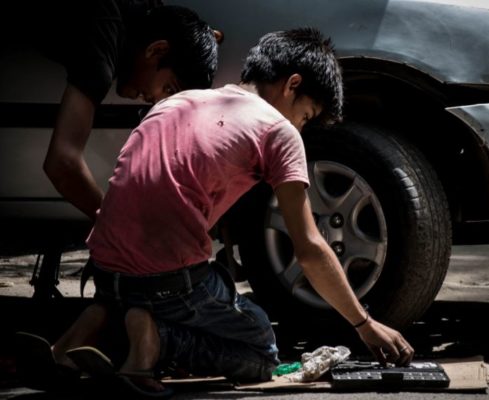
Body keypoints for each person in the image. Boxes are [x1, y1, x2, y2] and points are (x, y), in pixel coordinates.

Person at [18, 28, 414, 397]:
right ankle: (151, 337)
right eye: (306, 116)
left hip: (105, 270)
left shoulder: (178, 100)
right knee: (261, 350)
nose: (301, 126)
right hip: (166, 282)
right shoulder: (279, 131)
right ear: (292, 85)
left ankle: (91, 325)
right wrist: (365, 325)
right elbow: (309, 248)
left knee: (185, 280)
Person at [3, 1, 220, 220]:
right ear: (156, 49)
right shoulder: (101, 47)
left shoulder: (144, 15)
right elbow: (63, 163)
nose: (155, 101)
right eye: (168, 88)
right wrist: (121, 227)